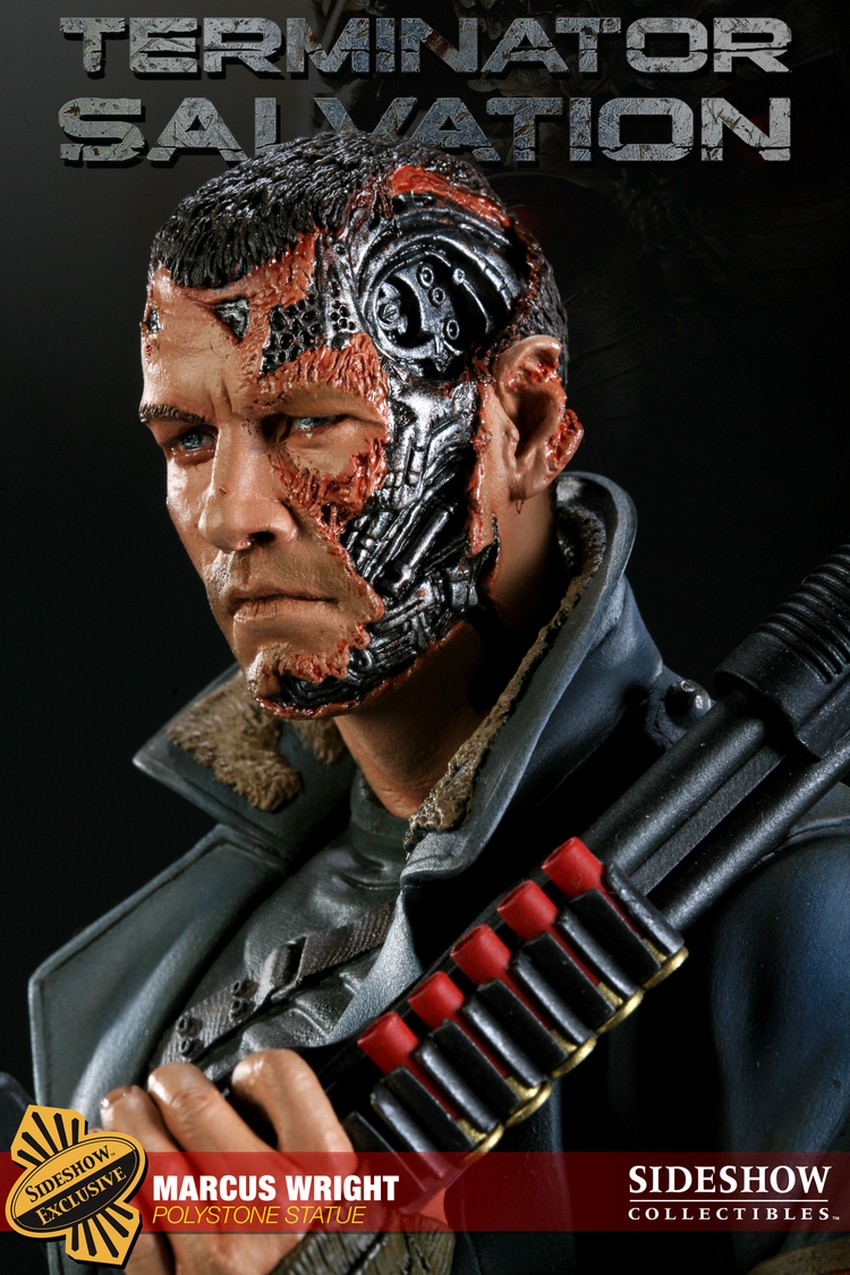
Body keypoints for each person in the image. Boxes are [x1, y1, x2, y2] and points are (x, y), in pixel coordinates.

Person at [30, 133, 850, 1275]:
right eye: (188, 438)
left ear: (525, 423)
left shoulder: (793, 916)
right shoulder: (196, 932)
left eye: (310, 422)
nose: (228, 514)